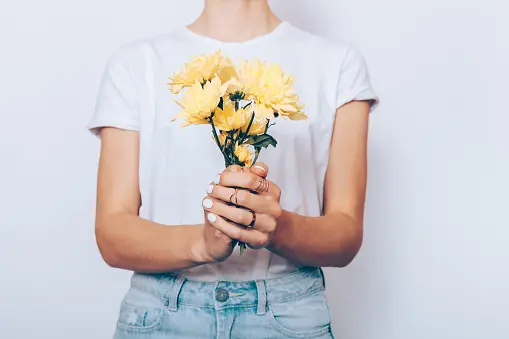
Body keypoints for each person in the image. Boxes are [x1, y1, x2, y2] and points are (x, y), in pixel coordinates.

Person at [88, 0, 378, 338]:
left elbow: (345, 237)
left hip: (288, 315)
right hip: (161, 316)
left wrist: (274, 226)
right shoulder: (136, 64)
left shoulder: (339, 64)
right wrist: (202, 242)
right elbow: (112, 233)